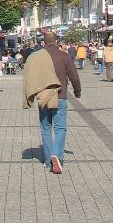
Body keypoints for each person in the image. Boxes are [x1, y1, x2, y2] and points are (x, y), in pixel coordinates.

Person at [24, 29, 79, 174]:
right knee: (60, 128)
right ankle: (56, 155)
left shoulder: (36, 57)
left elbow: (29, 74)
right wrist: (77, 91)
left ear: (44, 42)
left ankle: (49, 161)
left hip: (43, 97)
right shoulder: (64, 56)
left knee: (46, 128)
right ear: (56, 41)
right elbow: (74, 75)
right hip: (60, 96)